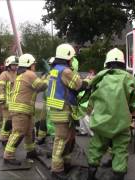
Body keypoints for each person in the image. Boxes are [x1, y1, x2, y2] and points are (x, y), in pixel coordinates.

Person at [86, 48, 135, 180]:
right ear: (123, 63)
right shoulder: (130, 79)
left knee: (96, 149)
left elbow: (90, 98)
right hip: (122, 123)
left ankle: (91, 176)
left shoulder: (98, 77)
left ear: (107, 63)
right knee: (120, 151)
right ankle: (118, 175)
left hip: (101, 122)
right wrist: (128, 109)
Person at [46, 44, 88, 179]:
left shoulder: (54, 70)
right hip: (63, 110)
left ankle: (66, 163)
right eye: (72, 57)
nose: (72, 60)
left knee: (69, 138)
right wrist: (89, 80)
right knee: (62, 140)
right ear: (68, 57)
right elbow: (79, 85)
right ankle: (57, 169)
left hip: (58, 109)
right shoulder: (66, 71)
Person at [3, 54, 48, 165]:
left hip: (24, 109)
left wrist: (45, 77)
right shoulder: (29, 74)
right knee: (18, 132)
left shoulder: (22, 75)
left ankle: (30, 151)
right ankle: (8, 155)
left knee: (29, 131)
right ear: (29, 64)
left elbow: (35, 87)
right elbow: (41, 86)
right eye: (33, 64)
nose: (35, 66)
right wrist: (50, 75)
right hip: (21, 109)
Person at [0, 55, 18, 145]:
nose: (16, 66)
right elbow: (0, 88)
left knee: (14, 122)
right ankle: (4, 139)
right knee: (7, 121)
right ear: (8, 65)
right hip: (7, 103)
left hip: (15, 103)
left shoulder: (17, 74)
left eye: (16, 65)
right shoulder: (4, 75)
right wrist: (2, 101)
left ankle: (10, 137)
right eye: (14, 65)